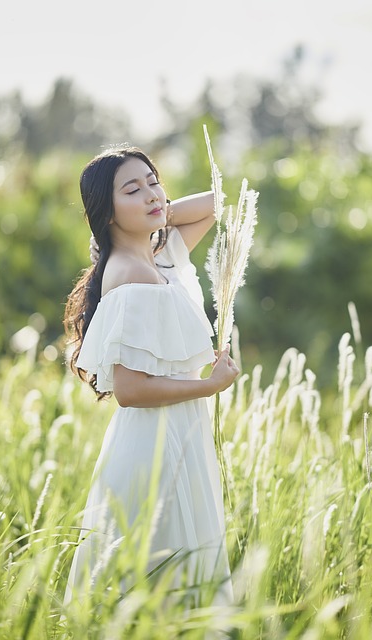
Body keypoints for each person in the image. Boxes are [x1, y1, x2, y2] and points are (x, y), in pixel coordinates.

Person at [62, 146, 239, 611]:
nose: (152, 193)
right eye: (132, 189)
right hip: (154, 443)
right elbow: (130, 389)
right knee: (159, 575)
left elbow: (216, 203)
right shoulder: (131, 274)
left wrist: (153, 213)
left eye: (153, 181)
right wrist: (210, 385)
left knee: (178, 571)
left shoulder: (157, 258)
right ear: (106, 211)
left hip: (179, 433)